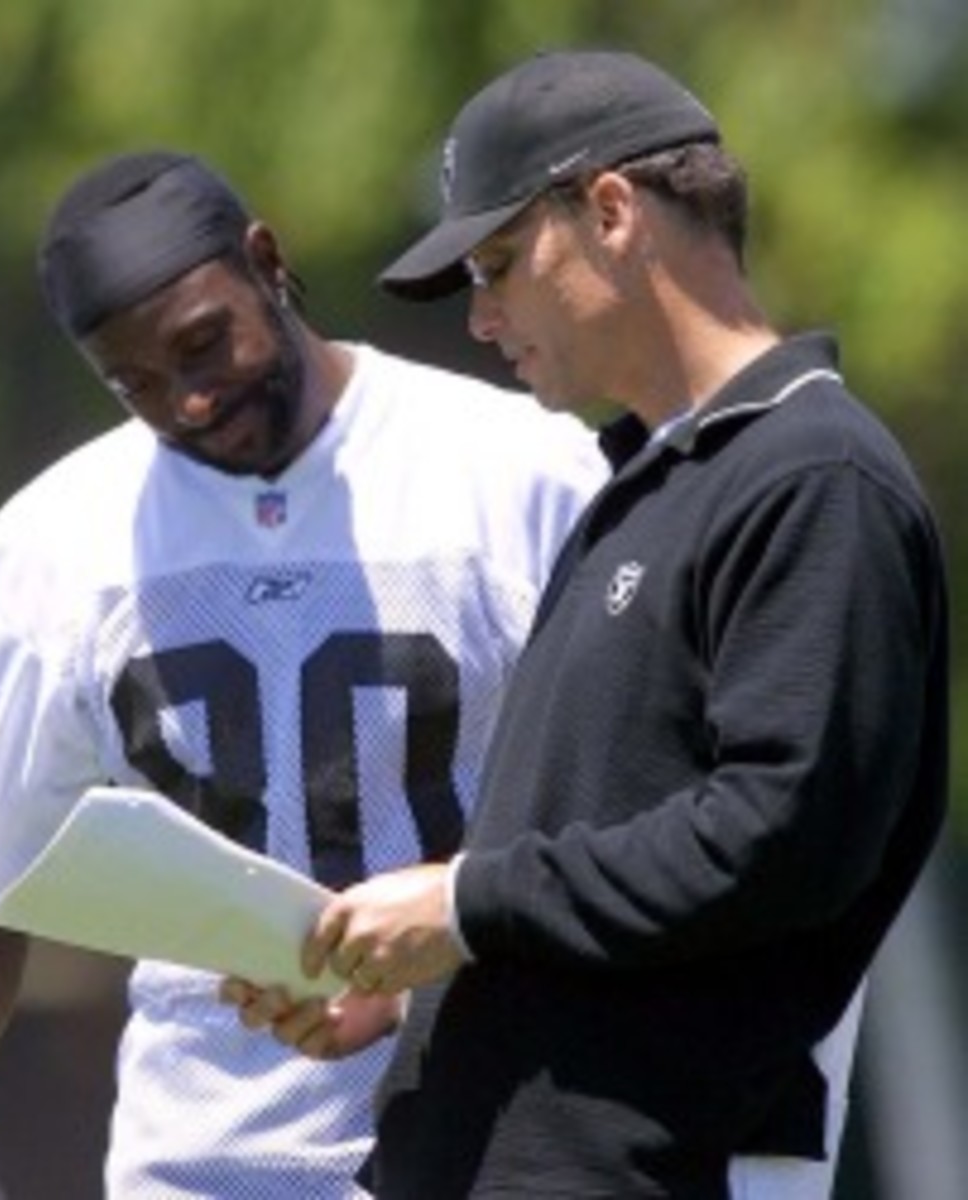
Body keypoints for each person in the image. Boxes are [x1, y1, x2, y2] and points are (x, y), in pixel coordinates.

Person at [248, 48, 949, 1199]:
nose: (482, 318)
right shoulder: (643, 485)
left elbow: (778, 838)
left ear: (613, 211)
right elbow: (605, 879)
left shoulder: (814, 475)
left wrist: (464, 907)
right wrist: (421, 982)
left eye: (498, 267)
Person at [0, 149, 607, 1198]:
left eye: (202, 344)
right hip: (204, 1161)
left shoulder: (522, 474)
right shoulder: (47, 556)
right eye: (136, 383)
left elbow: (629, 818)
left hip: (489, 1135)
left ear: (266, 263)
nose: (185, 401)